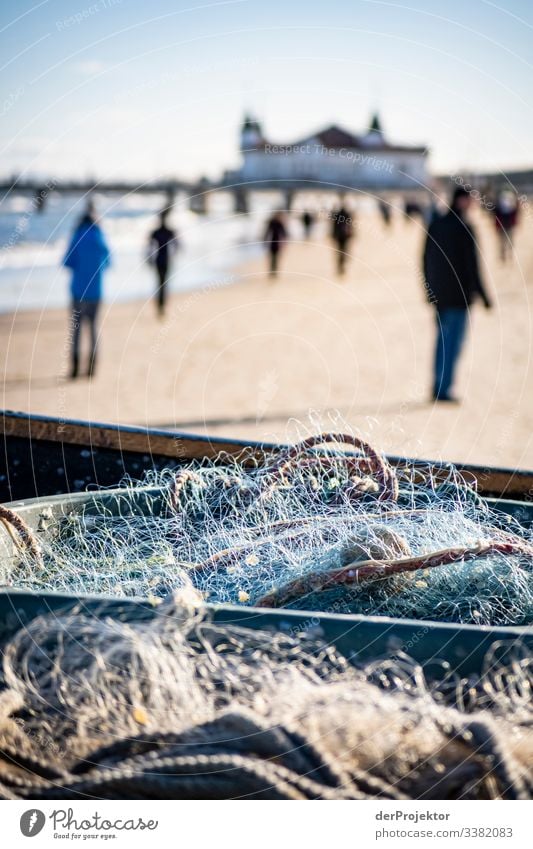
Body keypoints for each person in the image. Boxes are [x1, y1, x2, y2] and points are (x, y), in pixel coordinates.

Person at [423, 185, 492, 403]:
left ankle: (438, 387)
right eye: (470, 200)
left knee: (442, 342)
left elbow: (425, 259)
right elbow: (473, 266)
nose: (472, 204)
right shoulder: (465, 227)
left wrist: (429, 290)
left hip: (440, 297)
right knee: (453, 344)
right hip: (458, 298)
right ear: (461, 200)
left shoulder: (436, 224)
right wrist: (484, 295)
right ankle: (443, 390)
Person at [63, 201, 110, 379]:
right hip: (96, 292)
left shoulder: (77, 236)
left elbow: (67, 261)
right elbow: (108, 262)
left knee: (76, 329)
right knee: (93, 328)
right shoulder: (101, 237)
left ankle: (74, 368)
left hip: (77, 291)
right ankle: (92, 368)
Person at [148, 210, 178, 316]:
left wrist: (149, 259)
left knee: (160, 283)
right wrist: (173, 255)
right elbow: (177, 245)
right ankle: (161, 306)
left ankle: (160, 306)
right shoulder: (169, 231)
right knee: (163, 284)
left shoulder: (156, 232)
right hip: (164, 260)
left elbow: (149, 248)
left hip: (160, 260)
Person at [493, 191, 519, 263]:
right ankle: (506, 255)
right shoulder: (508, 207)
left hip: (505, 227)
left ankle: (506, 255)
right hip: (505, 227)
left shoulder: (501, 207)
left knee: (505, 242)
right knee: (505, 242)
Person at [330, 201, 354, 276]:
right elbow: (350, 226)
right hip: (343, 236)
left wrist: (333, 235)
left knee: (340, 251)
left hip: (339, 236)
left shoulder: (338, 215)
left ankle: (341, 265)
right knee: (343, 251)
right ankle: (341, 265)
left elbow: (333, 225)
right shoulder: (346, 214)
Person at [264, 211, 287, 277]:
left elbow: (283, 233)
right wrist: (265, 240)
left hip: (277, 242)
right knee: (272, 257)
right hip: (272, 242)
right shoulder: (273, 222)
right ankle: (272, 270)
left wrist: (284, 242)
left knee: (276, 257)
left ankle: (274, 270)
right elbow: (267, 231)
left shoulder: (279, 222)